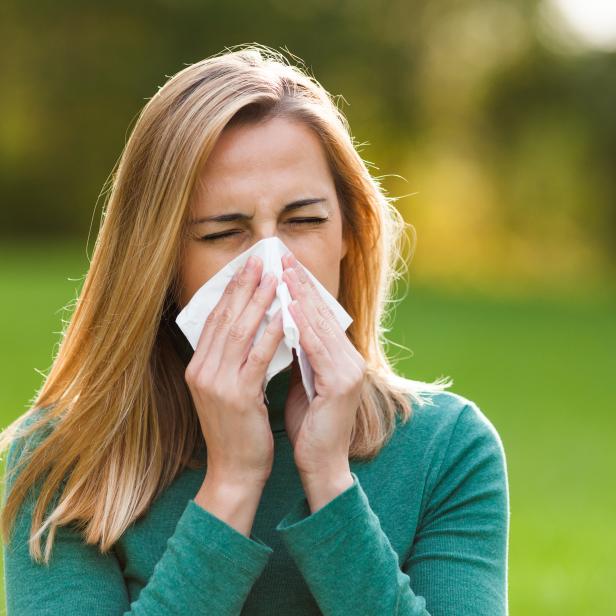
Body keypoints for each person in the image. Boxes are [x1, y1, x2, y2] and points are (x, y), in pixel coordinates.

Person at [0, 44, 509, 615]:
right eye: (224, 233)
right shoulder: (66, 460)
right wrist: (231, 485)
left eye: (304, 221)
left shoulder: (447, 449)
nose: (271, 263)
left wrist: (331, 483)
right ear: (160, 260)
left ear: (350, 233)